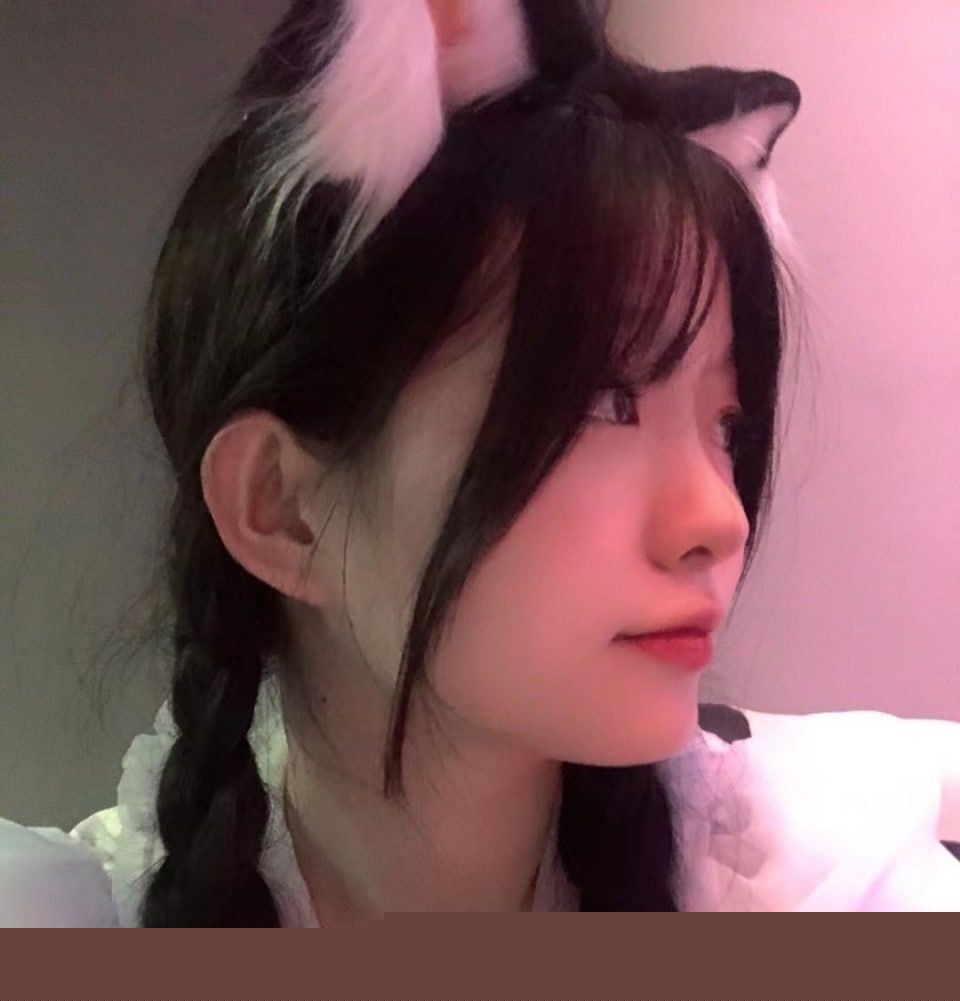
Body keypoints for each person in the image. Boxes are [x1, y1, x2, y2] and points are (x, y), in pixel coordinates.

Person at [3, 0, 959, 925]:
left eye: (727, 424)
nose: (721, 517)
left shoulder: (809, 877)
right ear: (282, 506)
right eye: (606, 401)